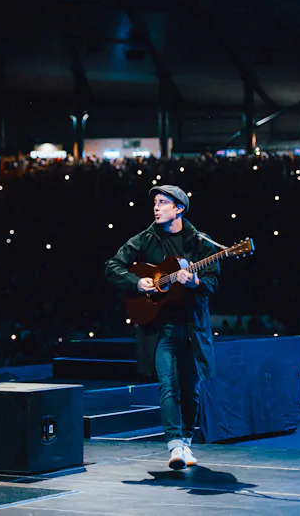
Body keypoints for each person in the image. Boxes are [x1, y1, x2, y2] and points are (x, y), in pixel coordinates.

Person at [105, 185, 219, 470]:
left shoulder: (200, 242)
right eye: (155, 203)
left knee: (191, 388)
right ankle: (174, 446)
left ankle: (187, 442)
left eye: (163, 203)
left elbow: (213, 282)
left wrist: (196, 282)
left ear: (179, 208)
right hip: (160, 327)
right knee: (167, 384)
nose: (156, 208)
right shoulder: (145, 239)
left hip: (191, 326)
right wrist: (136, 282)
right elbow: (112, 266)